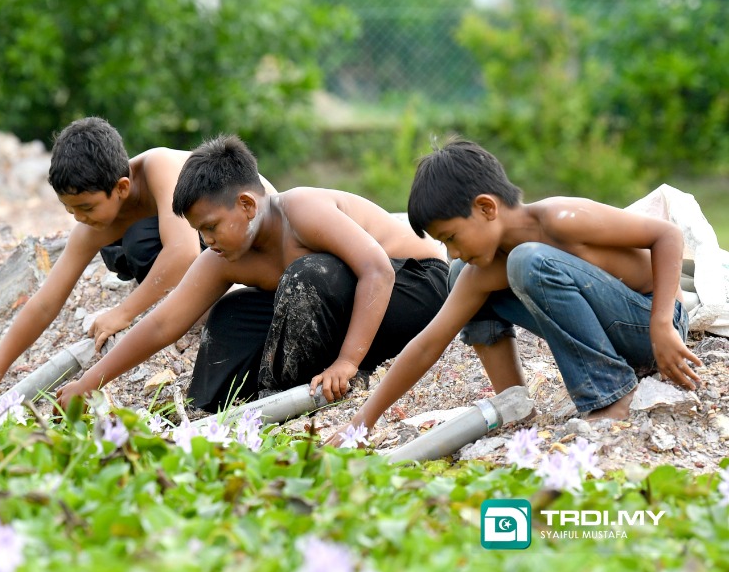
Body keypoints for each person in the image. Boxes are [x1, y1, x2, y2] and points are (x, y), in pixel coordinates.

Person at [326, 138, 701, 445]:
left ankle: (609, 394)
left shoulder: (560, 219)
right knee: (459, 274)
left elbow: (665, 235)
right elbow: (427, 343)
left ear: (486, 207)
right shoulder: (484, 269)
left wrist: (662, 323)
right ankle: (514, 400)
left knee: (527, 261)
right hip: (614, 335)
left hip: (651, 327)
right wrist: (361, 425)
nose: (451, 250)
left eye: (452, 237)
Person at [56, 134, 449, 412]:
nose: (206, 240)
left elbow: (378, 270)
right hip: (339, 305)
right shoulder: (224, 257)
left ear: (246, 204)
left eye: (211, 226)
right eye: (199, 231)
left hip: (414, 286)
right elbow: (163, 324)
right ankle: (223, 405)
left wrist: (347, 361)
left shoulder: (301, 210)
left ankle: (305, 386)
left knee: (306, 276)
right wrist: (89, 382)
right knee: (231, 313)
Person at [0, 117, 209, 402]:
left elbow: (183, 252)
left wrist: (124, 312)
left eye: (87, 207)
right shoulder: (89, 227)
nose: (79, 218)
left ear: (122, 188)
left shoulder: (160, 167)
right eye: (70, 210)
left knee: (140, 240)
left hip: (247, 244)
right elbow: (44, 303)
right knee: (126, 246)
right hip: (199, 252)